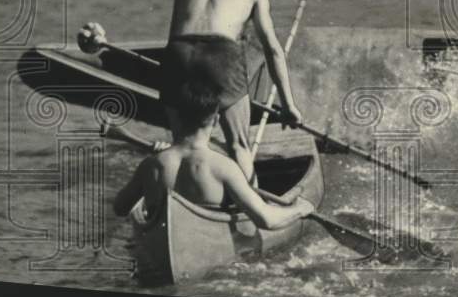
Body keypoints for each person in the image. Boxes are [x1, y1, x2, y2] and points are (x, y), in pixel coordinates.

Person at [162, 0, 303, 182]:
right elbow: (273, 50)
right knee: (239, 145)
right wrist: (288, 106)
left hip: (178, 53)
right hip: (220, 54)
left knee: (181, 143)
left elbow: (174, 38)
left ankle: (184, 198)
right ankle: (250, 206)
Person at [113, 75, 314, 226]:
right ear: (216, 120)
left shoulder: (152, 165)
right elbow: (266, 220)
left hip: (158, 247)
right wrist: (299, 209)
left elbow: (120, 208)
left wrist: (151, 179)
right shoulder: (224, 167)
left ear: (172, 117)